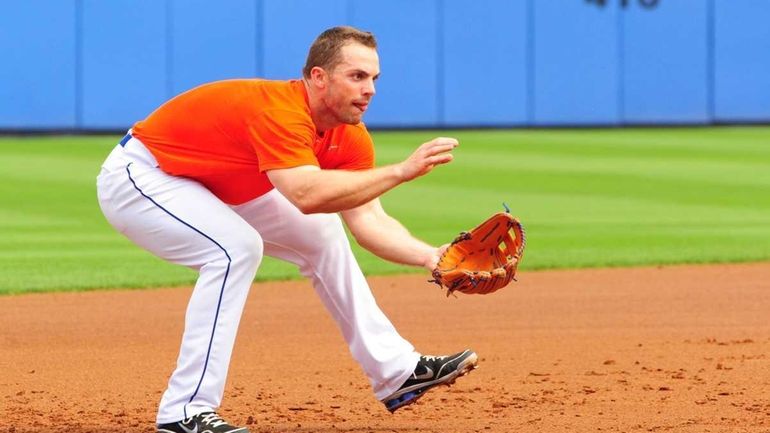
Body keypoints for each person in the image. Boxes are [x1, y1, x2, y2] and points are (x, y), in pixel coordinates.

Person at [96, 26, 478, 433]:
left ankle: (396, 372)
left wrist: (428, 256)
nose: (370, 89)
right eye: (356, 76)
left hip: (213, 184)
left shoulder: (349, 137)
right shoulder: (279, 111)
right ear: (318, 77)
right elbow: (305, 194)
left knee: (323, 233)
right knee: (234, 249)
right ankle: (183, 411)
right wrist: (401, 171)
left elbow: (368, 219)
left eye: (373, 78)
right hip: (143, 174)